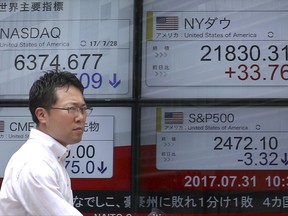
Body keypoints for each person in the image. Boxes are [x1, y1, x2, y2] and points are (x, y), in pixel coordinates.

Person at [0, 70, 92, 216]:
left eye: (83, 109)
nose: (80, 117)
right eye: (71, 109)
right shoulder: (34, 164)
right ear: (42, 115)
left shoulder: (50, 157)